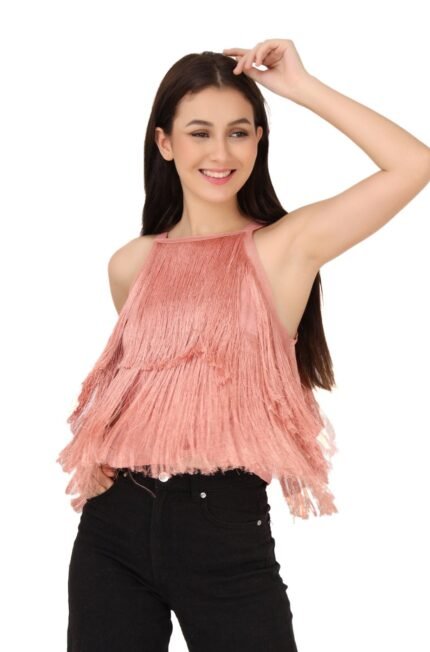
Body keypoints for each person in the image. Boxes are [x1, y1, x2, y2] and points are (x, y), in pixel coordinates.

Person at [58, 38, 430, 651]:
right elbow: (150, 393)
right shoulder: (131, 264)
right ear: (165, 143)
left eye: (238, 133)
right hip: (111, 529)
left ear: (259, 140)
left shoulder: (286, 248)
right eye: (199, 133)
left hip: (224, 525)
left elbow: (413, 165)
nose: (220, 153)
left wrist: (301, 87)